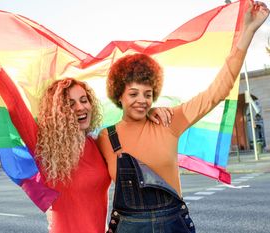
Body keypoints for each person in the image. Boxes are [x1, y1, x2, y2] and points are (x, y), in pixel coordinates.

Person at [0, 8, 173, 233]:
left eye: (84, 99)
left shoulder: (99, 142)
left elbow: (129, 128)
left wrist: (147, 112)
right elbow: (11, 96)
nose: (81, 107)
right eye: (70, 104)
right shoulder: (43, 144)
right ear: (59, 112)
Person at [97, 1, 269, 232]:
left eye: (148, 94)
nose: (142, 100)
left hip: (173, 225)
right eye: (133, 93)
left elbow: (215, 93)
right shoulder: (106, 138)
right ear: (119, 95)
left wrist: (248, 31)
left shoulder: (169, 121)